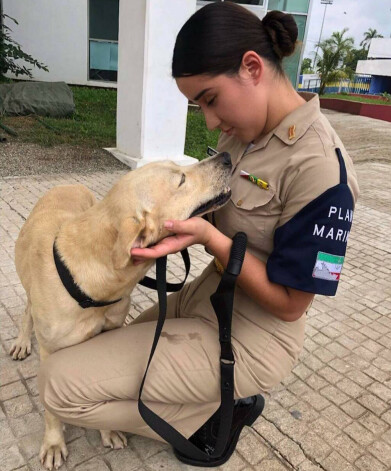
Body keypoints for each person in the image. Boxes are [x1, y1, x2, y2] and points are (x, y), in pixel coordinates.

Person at [38, 2, 359, 467]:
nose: (209, 120)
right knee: (92, 348)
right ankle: (200, 398)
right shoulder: (242, 133)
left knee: (57, 385)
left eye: (210, 99)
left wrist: (209, 241)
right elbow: (206, 212)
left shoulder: (322, 171)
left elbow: (292, 305)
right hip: (202, 300)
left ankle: (212, 412)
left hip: (250, 337)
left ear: (252, 67)